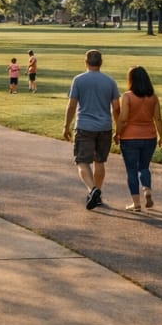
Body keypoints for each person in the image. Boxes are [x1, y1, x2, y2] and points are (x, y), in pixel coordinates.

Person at [63, 49, 121, 210]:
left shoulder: (78, 80)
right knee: (100, 161)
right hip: (105, 127)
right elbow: (116, 108)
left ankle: (92, 189)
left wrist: (66, 125)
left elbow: (72, 105)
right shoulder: (110, 81)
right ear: (101, 62)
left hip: (84, 126)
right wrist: (118, 129)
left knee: (82, 161)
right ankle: (97, 194)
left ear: (86, 62)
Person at [114, 66, 162, 212]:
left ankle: (136, 203)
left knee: (131, 170)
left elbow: (123, 119)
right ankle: (147, 189)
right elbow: (158, 119)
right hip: (149, 136)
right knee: (144, 167)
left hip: (130, 137)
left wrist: (117, 133)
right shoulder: (153, 97)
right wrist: (161, 137)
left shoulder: (128, 96)